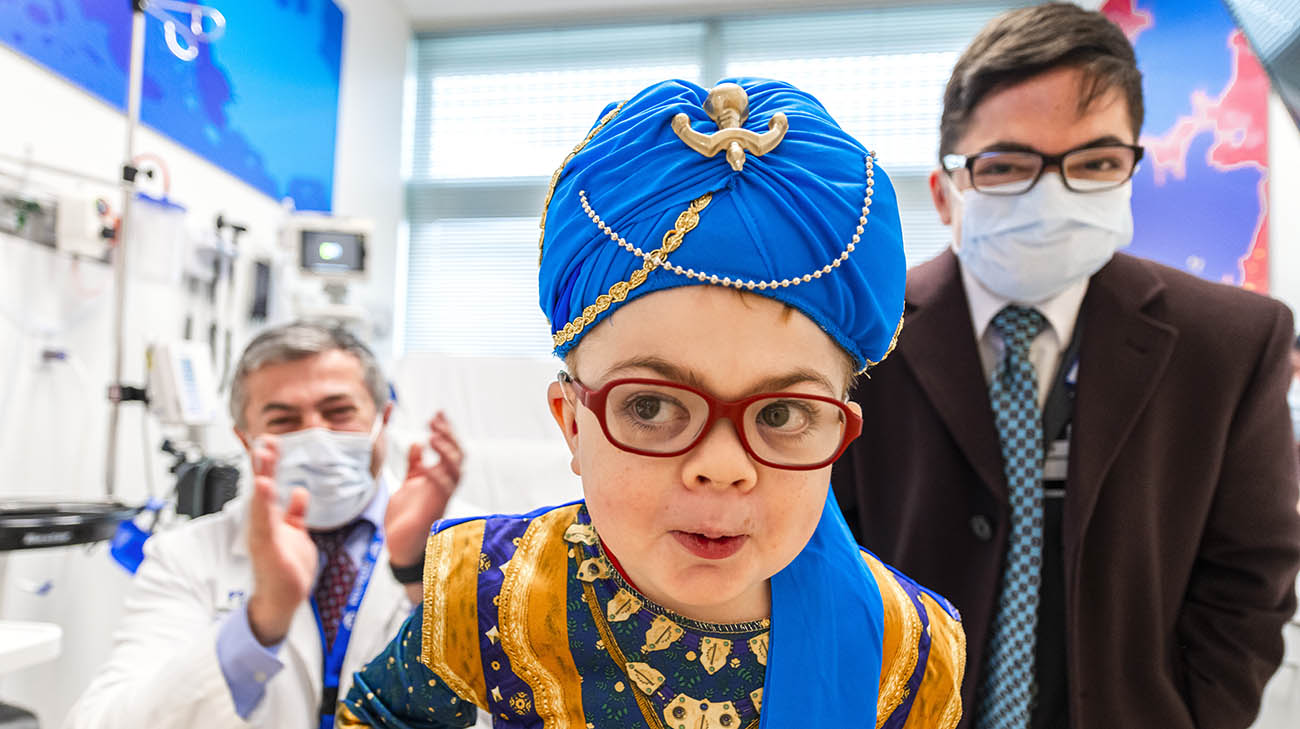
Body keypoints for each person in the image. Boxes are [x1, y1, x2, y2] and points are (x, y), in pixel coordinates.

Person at [335, 77, 966, 728]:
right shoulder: (482, 593)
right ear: (572, 424)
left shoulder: (911, 651)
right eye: (652, 407)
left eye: (780, 413)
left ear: (840, 431)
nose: (721, 467)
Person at [831, 4, 1300, 729]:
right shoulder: (859, 342)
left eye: (1095, 163)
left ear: (1129, 172)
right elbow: (824, 562)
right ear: (945, 193)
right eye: (1009, 165)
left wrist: (1198, 712)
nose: (1052, 195)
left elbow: (1251, 573)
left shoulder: (1231, 343)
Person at [66, 322, 470, 728]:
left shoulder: (472, 543)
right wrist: (262, 618)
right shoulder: (185, 555)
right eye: (283, 420)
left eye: (339, 412)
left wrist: (418, 575)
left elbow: (502, 711)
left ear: (383, 418)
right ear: (246, 439)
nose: (316, 434)